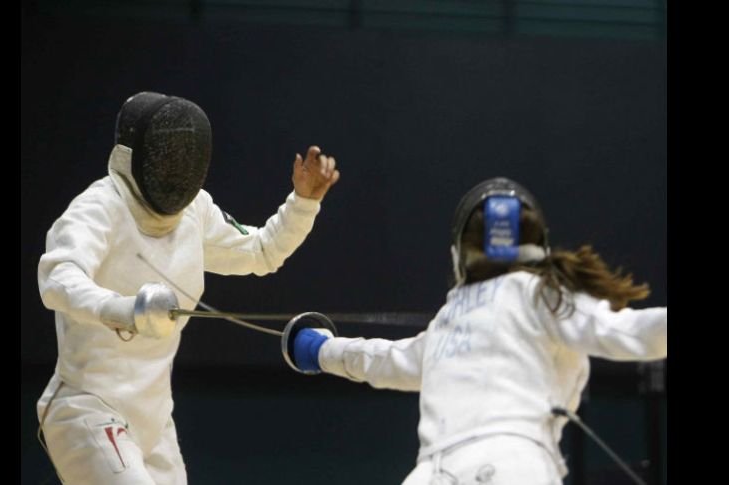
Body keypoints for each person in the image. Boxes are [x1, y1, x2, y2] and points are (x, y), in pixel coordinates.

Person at [36, 91, 340, 484]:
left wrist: (303, 204)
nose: (177, 164)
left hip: (154, 421)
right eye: (166, 152)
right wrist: (124, 310)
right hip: (87, 410)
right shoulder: (99, 208)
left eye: (185, 152)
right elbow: (58, 278)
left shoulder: (195, 209)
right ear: (134, 155)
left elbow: (260, 251)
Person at [290, 177, 666, 485]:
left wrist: (317, 349)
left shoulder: (448, 320)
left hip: (432, 475)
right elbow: (634, 333)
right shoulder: (543, 295)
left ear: (460, 254)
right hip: (513, 466)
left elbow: (382, 360)